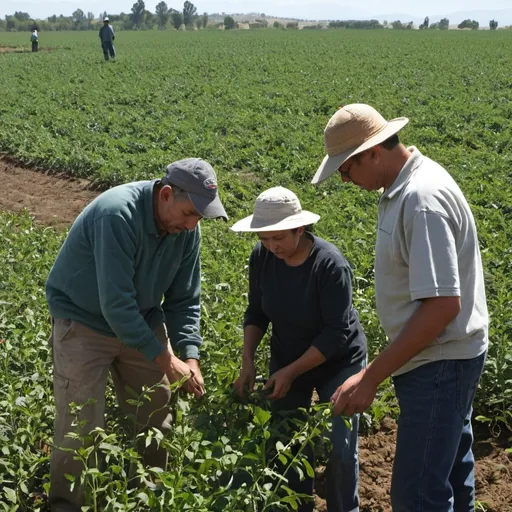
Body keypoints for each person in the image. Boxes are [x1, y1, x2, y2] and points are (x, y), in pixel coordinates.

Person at [312, 103, 488, 511]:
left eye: (346, 168)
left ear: (374, 152)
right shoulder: (402, 189)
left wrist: (370, 377)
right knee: (451, 475)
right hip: (439, 359)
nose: (344, 178)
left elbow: (442, 305)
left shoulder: (421, 200)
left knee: (417, 495)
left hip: (440, 363)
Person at [46, 158, 227, 512]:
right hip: (83, 322)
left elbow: (184, 299)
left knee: (157, 407)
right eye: (190, 213)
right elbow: (115, 305)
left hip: (140, 318)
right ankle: (67, 505)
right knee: (80, 423)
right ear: (165, 195)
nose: (192, 226)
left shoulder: (186, 231)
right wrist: (165, 358)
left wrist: (189, 356)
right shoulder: (117, 215)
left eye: (199, 218)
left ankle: (149, 497)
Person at [231, 187, 367, 512]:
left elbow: (336, 333)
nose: (271, 247)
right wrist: (247, 361)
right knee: (285, 440)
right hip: (288, 353)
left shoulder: (330, 266)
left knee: (340, 445)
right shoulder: (262, 257)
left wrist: (290, 373)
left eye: (278, 238)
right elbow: (257, 311)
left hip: (339, 360)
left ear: (300, 229)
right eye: (264, 238)